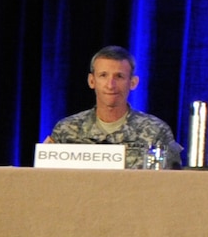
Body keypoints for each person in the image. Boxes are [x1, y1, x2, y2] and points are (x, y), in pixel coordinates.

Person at [43, 45, 184, 168]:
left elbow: (169, 185)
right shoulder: (66, 130)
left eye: (119, 77)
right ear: (92, 81)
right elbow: (48, 181)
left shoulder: (156, 132)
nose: (111, 85)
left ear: (133, 83)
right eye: (103, 75)